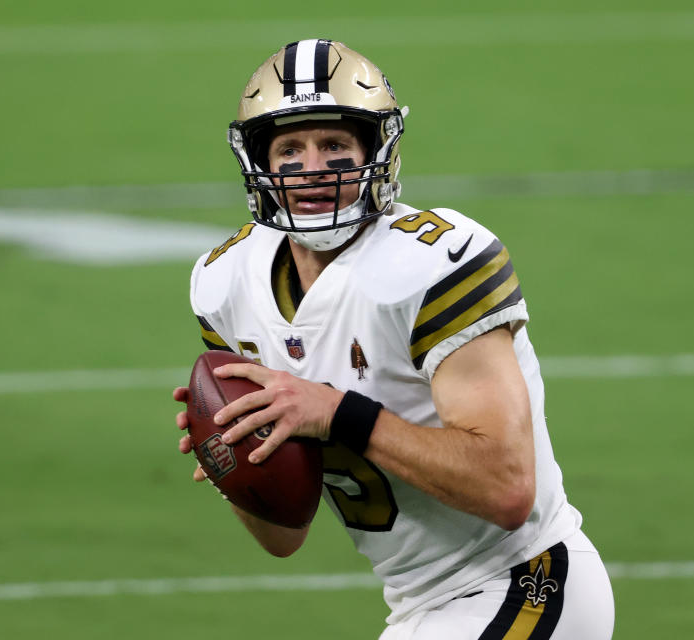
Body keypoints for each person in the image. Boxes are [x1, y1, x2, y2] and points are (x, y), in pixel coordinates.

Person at [173, 39, 614, 639]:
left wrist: (336, 414)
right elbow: (284, 538)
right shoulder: (225, 285)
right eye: (290, 149)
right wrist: (233, 465)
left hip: (523, 581)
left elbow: (508, 488)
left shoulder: (433, 264)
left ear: (376, 151)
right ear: (259, 163)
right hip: (417, 604)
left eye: (334, 145)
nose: (313, 168)